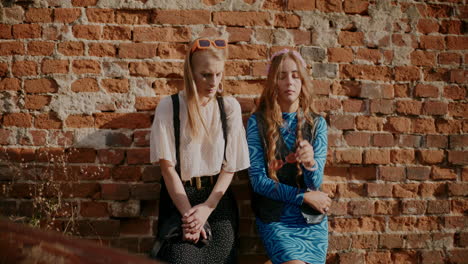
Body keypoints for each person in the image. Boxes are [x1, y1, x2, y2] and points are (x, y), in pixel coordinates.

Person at [149, 37, 250, 264]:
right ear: (191, 72)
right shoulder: (169, 107)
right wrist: (190, 217)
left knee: (221, 258)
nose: (213, 82)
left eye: (218, 74)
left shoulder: (229, 108)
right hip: (180, 198)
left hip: (217, 199)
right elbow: (167, 170)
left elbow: (230, 167)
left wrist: (206, 209)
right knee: (181, 258)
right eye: (205, 74)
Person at [246, 49, 331, 264]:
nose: (289, 82)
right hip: (276, 218)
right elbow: (258, 182)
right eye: (281, 76)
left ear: (302, 80)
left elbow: (315, 183)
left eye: (295, 75)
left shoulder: (316, 124)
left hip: (310, 221)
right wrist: (302, 196)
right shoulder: (257, 123)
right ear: (273, 83)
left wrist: (311, 163)